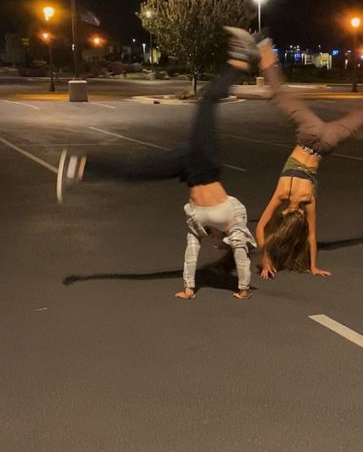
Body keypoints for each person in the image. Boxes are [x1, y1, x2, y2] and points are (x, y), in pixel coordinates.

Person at [56, 27, 258, 300]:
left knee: (135, 171)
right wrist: (244, 288)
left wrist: (189, 288)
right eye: (218, 244)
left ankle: (79, 169)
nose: (213, 244)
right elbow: (243, 254)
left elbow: (191, 251)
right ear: (225, 241)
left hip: (187, 169)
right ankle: (241, 59)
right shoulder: (234, 219)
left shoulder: (198, 224)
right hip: (205, 164)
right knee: (208, 102)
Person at [255, 40, 363, 280]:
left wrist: (311, 265)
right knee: (282, 96)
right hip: (308, 133)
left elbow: (311, 237)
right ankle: (264, 49)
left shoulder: (308, 200)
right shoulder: (283, 194)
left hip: (325, 142)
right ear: (284, 214)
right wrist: (265, 259)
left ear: (300, 217)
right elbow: (260, 228)